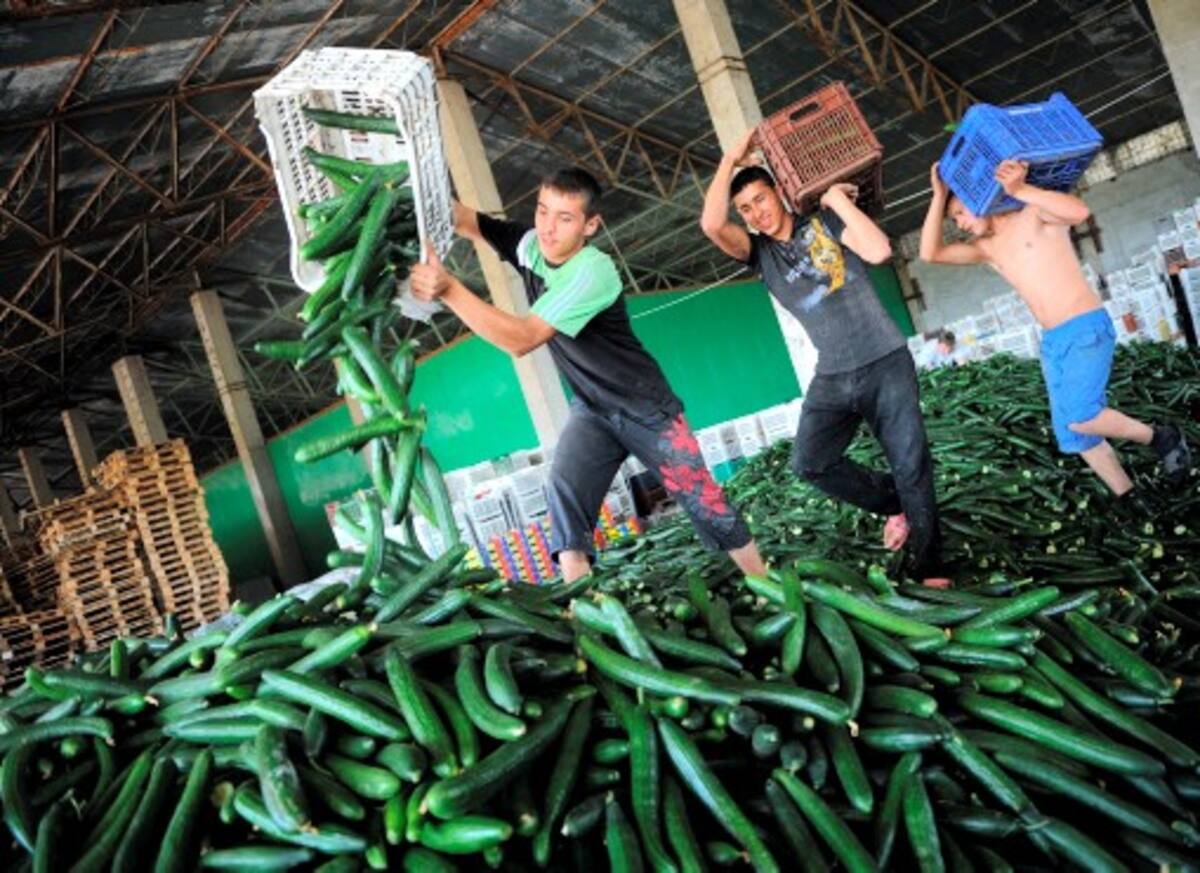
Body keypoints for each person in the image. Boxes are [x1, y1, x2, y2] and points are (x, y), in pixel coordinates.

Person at [409, 167, 768, 582]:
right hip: (592, 410)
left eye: (565, 218)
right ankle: (581, 612)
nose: (548, 228)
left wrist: (450, 290)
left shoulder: (592, 271)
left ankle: (766, 584)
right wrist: (416, 186)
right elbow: (466, 220)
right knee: (565, 502)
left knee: (704, 501)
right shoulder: (531, 246)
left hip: (647, 410)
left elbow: (522, 339)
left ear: (590, 225)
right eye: (543, 211)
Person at [700, 129, 950, 587]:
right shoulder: (760, 256)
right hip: (833, 375)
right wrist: (729, 160)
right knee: (810, 461)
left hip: (885, 360)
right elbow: (712, 227)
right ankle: (901, 503)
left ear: (779, 192)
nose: (757, 212)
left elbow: (878, 250)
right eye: (747, 208)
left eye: (761, 198)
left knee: (909, 459)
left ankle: (931, 566)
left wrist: (836, 200)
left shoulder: (825, 223)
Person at [920, 159, 1192, 502]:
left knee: (1082, 417)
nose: (958, 223)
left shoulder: (1032, 214)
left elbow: (1078, 212)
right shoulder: (987, 249)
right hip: (1054, 342)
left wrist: (1021, 190)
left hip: (1084, 328)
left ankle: (1161, 437)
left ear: (981, 198)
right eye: (954, 219)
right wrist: (938, 195)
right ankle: (1131, 498)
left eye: (960, 213)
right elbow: (930, 253)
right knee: (1073, 434)